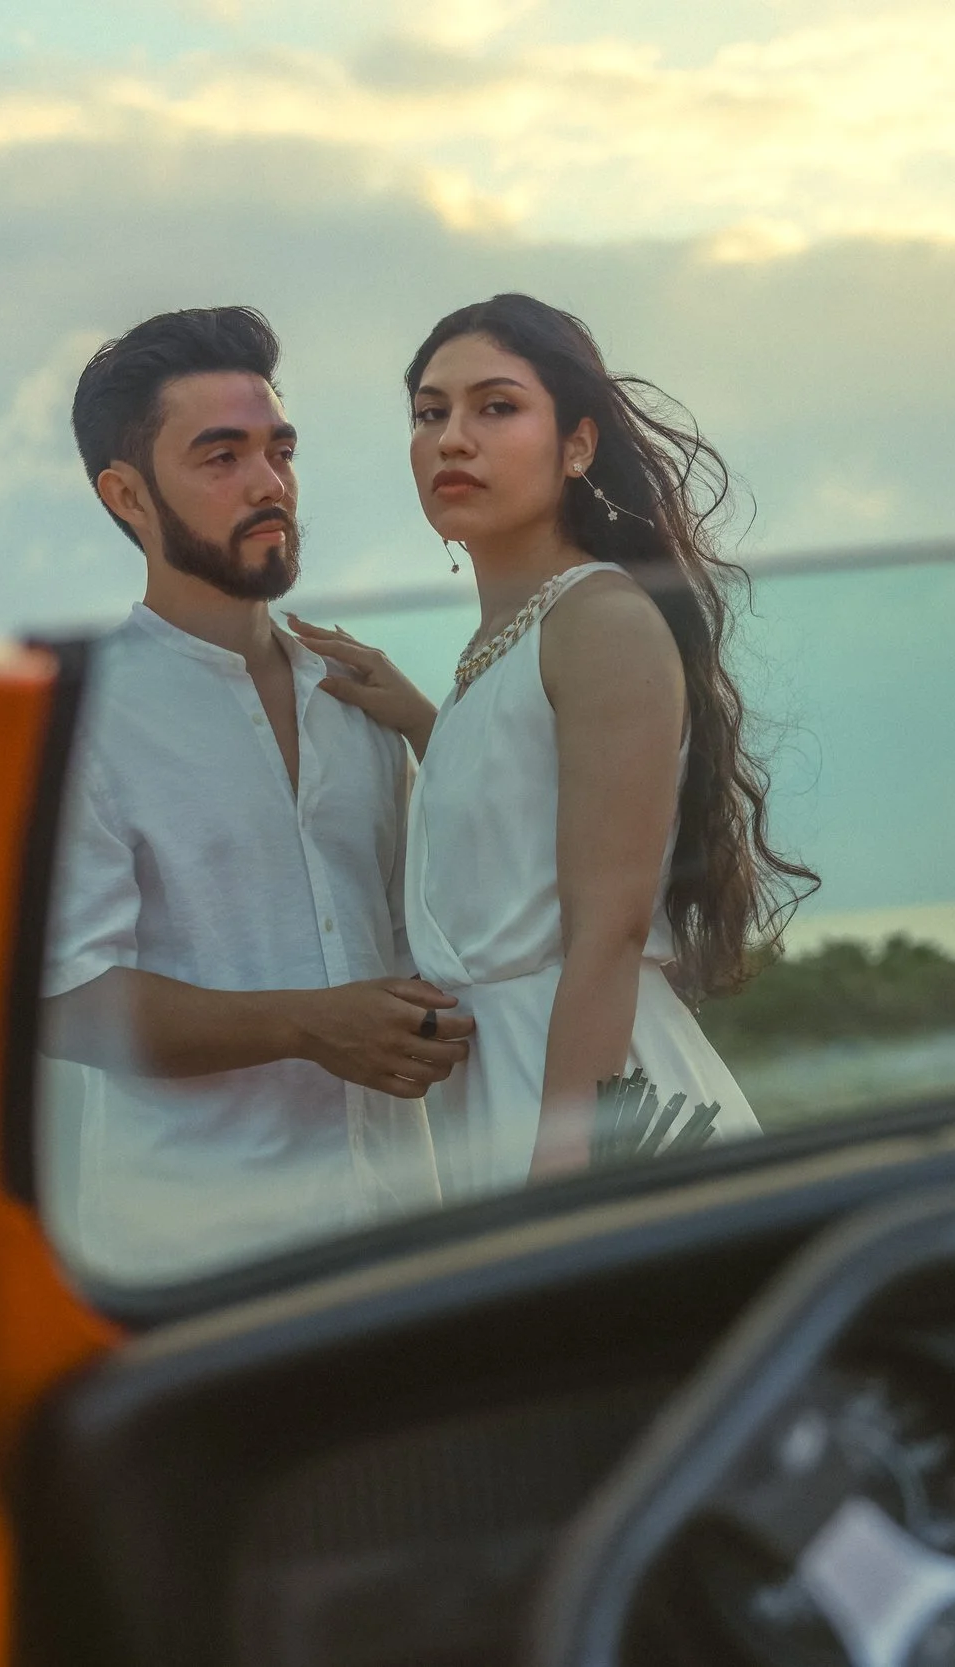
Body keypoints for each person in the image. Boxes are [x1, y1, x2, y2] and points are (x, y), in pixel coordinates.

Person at [292, 293, 815, 1193]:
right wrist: (427, 719)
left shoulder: (600, 619)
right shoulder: (509, 644)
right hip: (501, 1097)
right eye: (430, 412)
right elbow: (528, 806)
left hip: (585, 1112)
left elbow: (604, 935)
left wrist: (565, 1177)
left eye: (497, 407)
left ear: (577, 444)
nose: (454, 437)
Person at [37, 305, 467, 1280]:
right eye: (220, 456)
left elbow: (430, 945)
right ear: (127, 494)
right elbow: (70, 999)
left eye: (280, 449)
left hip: (403, 1235)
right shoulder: (86, 720)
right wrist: (305, 1022)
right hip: (199, 1264)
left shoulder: (357, 700)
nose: (269, 483)